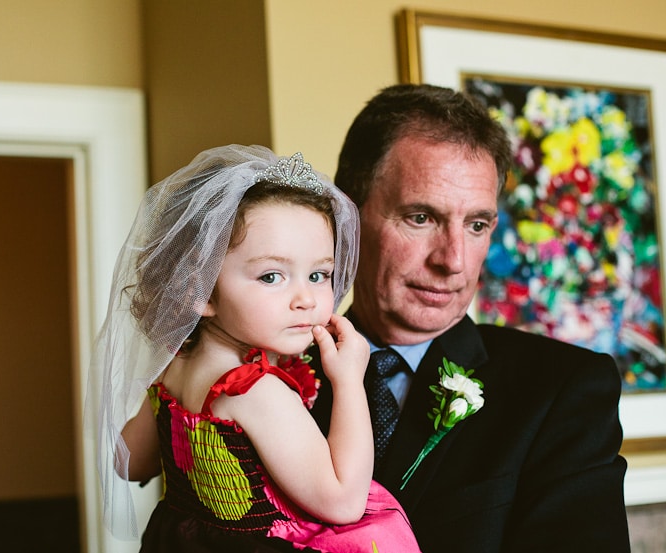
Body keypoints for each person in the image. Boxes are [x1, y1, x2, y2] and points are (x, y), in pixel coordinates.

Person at [308, 84, 631, 552]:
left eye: (477, 225)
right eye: (421, 218)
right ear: (347, 216)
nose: (454, 261)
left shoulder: (564, 390)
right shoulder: (266, 374)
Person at [91, 144, 421, 552]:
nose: (306, 298)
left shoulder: (172, 367)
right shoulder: (256, 391)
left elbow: (129, 463)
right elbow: (344, 501)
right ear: (200, 291)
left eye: (319, 274)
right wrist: (350, 379)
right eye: (271, 277)